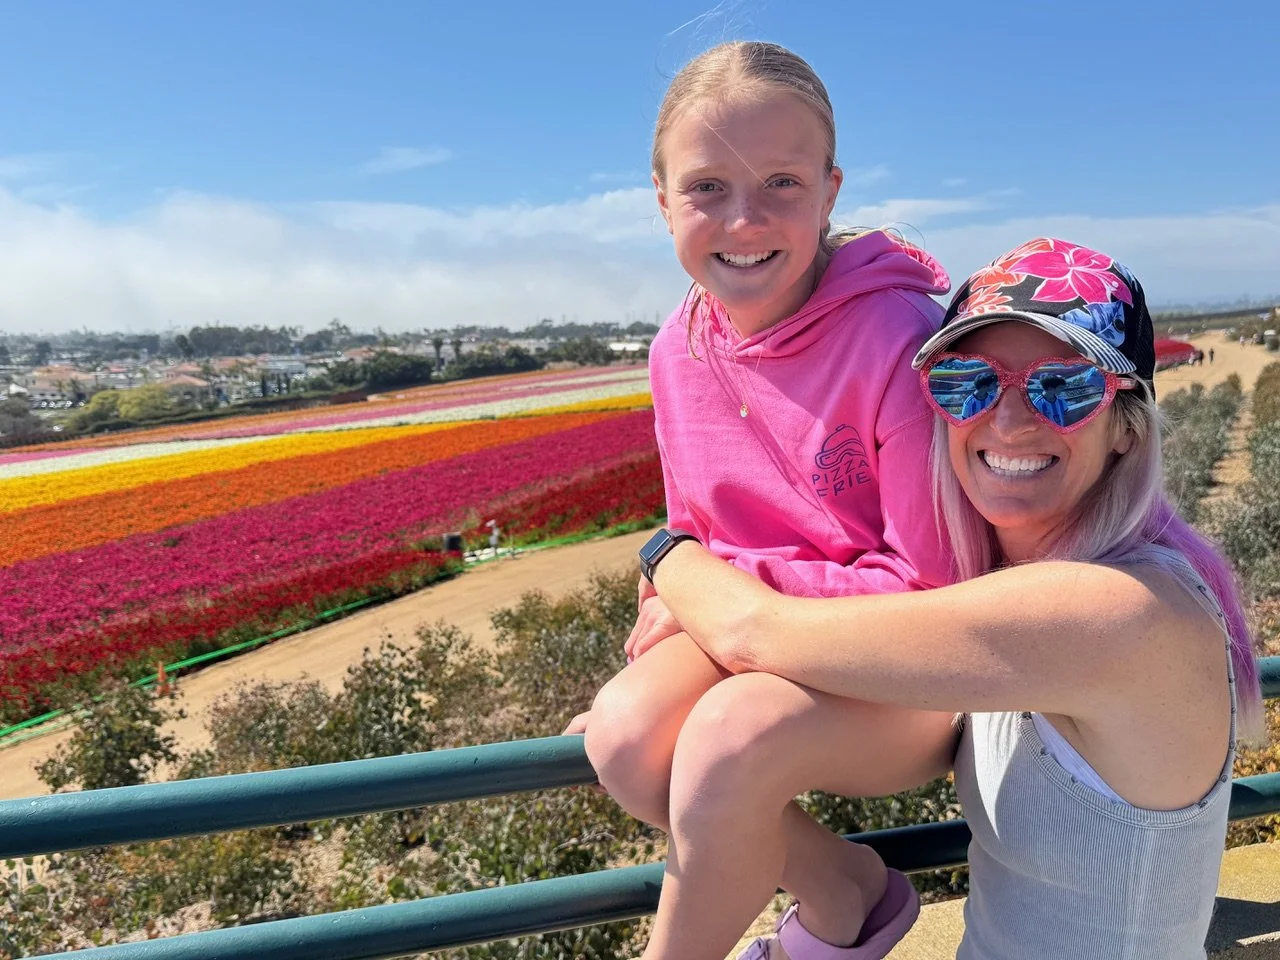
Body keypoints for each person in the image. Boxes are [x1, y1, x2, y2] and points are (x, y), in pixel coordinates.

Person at [637, 238, 1262, 960]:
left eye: (1064, 387)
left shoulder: (1121, 610)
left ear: (1127, 427)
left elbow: (754, 632)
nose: (1007, 420)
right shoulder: (1003, 590)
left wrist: (666, 553)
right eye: (968, 382)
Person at [566, 40, 959, 956]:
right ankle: (842, 888)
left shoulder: (898, 338)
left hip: (907, 679)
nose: (744, 220)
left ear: (830, 190)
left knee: (727, 742)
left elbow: (934, 592)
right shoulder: (676, 351)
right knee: (624, 739)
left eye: (781, 182)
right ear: (661, 199)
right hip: (752, 649)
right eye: (706, 187)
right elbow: (687, 540)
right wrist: (680, 600)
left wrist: (720, 593)